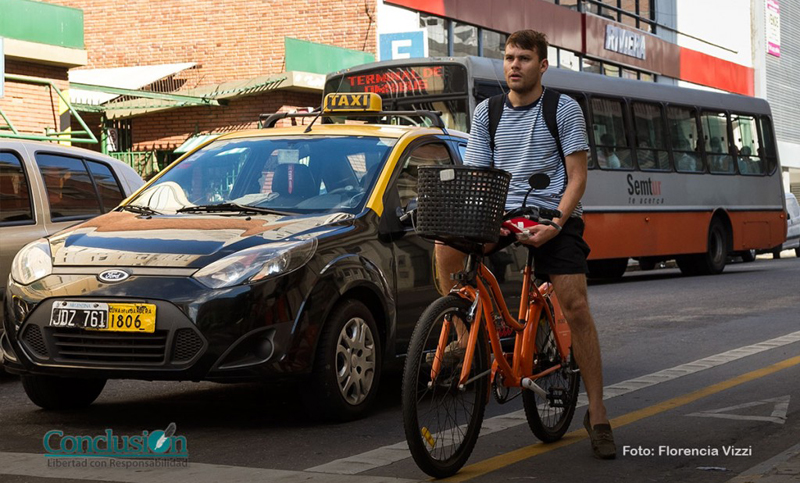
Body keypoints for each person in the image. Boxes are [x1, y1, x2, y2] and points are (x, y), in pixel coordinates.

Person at [434, 29, 617, 460]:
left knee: (574, 304)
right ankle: (465, 335)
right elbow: (478, 175)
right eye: (509, 57)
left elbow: (577, 179)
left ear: (542, 65)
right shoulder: (487, 113)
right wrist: (466, 216)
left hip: (554, 214)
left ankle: (600, 413)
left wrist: (556, 221)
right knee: (444, 248)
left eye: (524, 58)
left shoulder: (562, 109)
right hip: (502, 213)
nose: (514, 64)